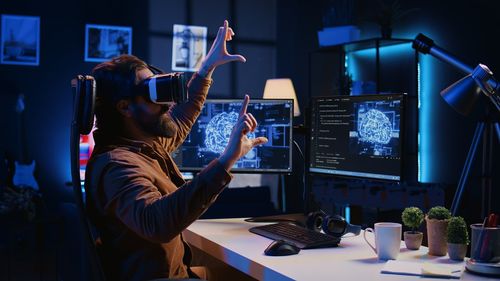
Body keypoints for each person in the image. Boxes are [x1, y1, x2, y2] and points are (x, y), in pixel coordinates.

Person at [85, 20, 267, 281]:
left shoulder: (142, 146)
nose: (167, 102)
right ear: (125, 107)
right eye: (151, 94)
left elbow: (180, 118)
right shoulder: (118, 166)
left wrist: (207, 68)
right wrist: (227, 159)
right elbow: (155, 222)